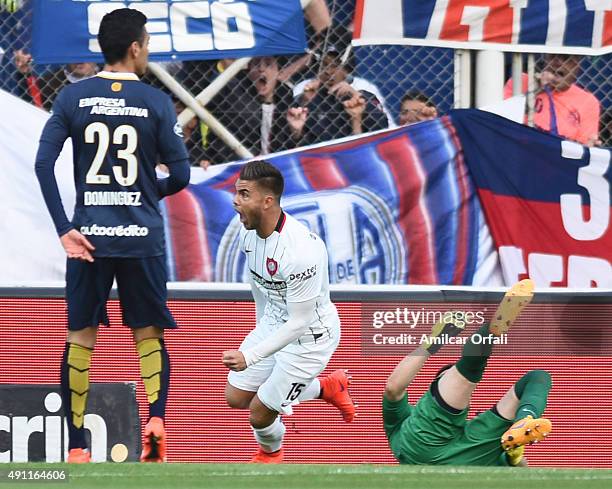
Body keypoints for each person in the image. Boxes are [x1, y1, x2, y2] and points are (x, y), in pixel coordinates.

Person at [34, 8, 190, 463]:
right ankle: (156, 419)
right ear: (136, 47)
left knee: (81, 337)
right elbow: (180, 174)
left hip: (88, 240)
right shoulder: (157, 102)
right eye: (148, 43)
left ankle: (78, 446)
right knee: (149, 332)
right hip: (141, 234)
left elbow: (43, 165)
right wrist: (146, 193)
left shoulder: (72, 97)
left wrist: (65, 229)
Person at [222, 160, 355, 463]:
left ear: (267, 201)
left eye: (244, 194)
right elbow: (260, 290)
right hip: (275, 324)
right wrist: (260, 335)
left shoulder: (301, 251)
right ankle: (327, 387)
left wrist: (251, 356)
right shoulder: (248, 233)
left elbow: (300, 322)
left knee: (259, 413)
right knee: (236, 397)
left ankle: (271, 455)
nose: (235, 200)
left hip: (310, 338)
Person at [383, 279, 553, 466]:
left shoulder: (403, 422)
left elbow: (393, 388)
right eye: (447, 375)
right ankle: (490, 335)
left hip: (437, 449)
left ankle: (523, 421)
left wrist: (515, 455)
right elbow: (394, 387)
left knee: (537, 377)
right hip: (454, 451)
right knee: (535, 377)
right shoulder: (408, 418)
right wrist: (430, 345)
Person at [504, 54, 601, 146]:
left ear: (576, 66)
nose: (558, 62)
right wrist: (535, 89)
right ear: (546, 60)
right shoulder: (521, 81)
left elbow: (584, 145)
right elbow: (502, 118)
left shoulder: (587, 101)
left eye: (566, 58)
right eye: (553, 57)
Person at [14, 50, 99, 111]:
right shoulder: (49, 83)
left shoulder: (108, 80)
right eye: (75, 54)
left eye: (86, 54)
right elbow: (32, 109)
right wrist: (24, 75)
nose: (80, 60)